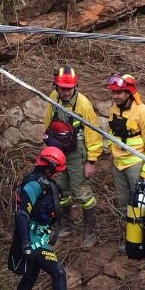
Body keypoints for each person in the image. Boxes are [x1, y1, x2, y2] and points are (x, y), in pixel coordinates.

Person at [8, 148, 74, 290]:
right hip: (33, 238)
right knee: (58, 272)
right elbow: (22, 214)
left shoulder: (44, 183)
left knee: (30, 275)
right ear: (50, 167)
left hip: (41, 236)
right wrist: (26, 244)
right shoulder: (33, 185)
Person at [46, 67, 104, 232]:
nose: (66, 92)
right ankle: (67, 225)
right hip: (58, 150)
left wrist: (91, 161)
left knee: (81, 192)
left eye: (69, 88)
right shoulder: (53, 98)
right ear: (56, 86)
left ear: (75, 86)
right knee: (61, 189)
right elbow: (48, 122)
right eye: (62, 88)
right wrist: (49, 149)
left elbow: (93, 133)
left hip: (77, 153)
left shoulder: (83, 104)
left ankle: (90, 233)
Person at [104, 73, 145, 233]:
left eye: (118, 93)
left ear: (129, 92)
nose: (115, 96)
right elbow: (111, 132)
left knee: (141, 203)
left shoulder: (142, 112)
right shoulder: (115, 107)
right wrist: (112, 152)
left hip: (135, 164)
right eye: (113, 93)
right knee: (123, 202)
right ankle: (129, 236)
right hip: (118, 164)